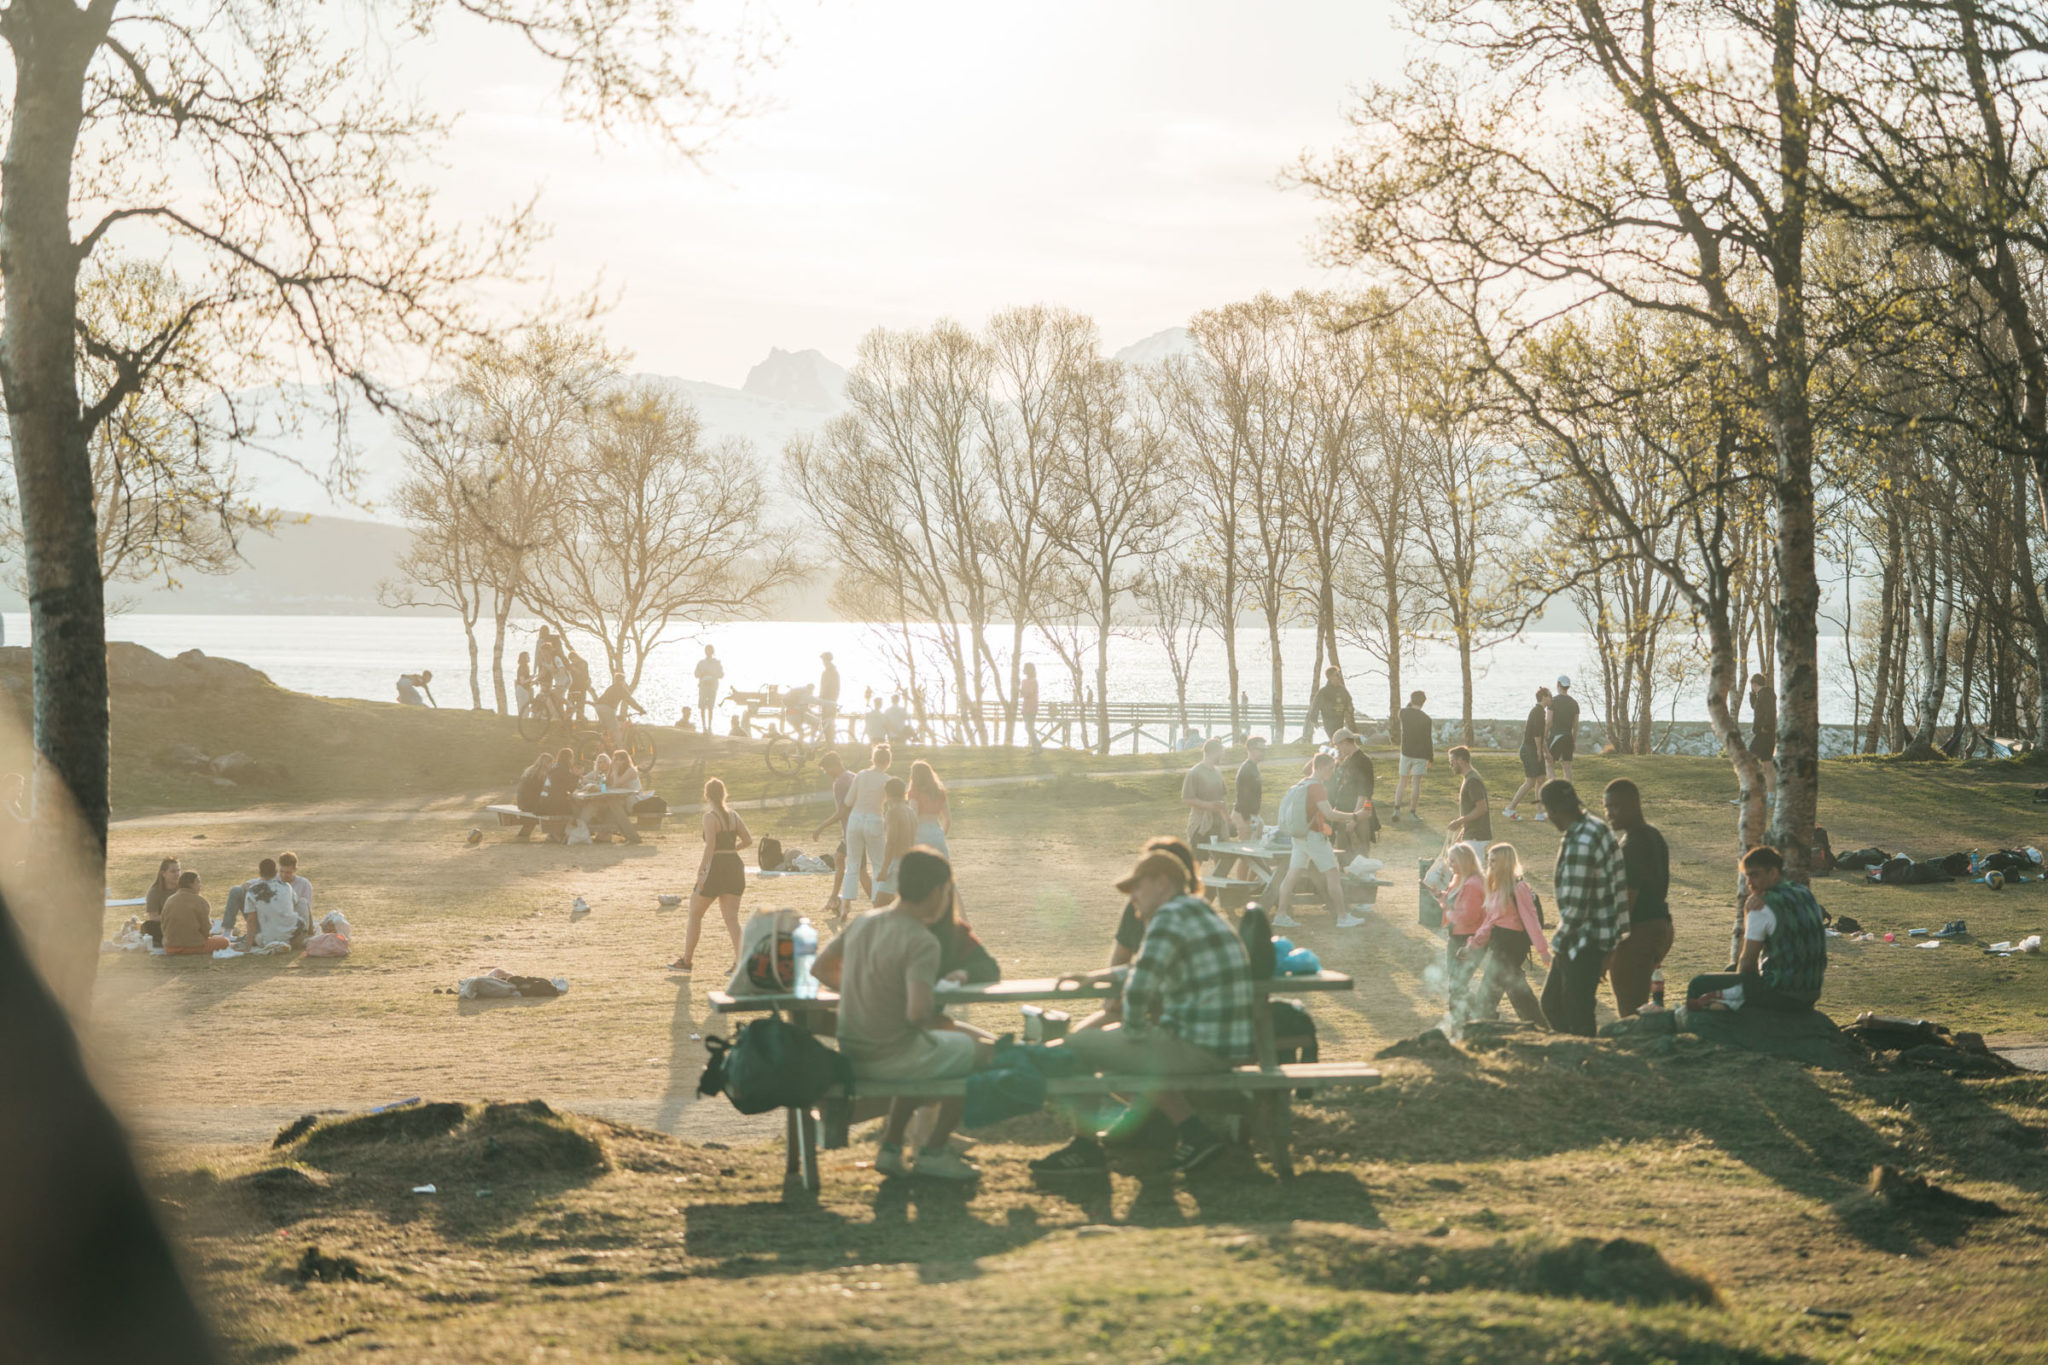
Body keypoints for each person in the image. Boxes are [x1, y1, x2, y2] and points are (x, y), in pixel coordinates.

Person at [1031, 848, 1254, 1177]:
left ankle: (1085, 1149)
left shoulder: (1168, 915)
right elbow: (1150, 966)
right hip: (1223, 1046)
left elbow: (1139, 987)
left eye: (1137, 888)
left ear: (1162, 883)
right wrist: (1102, 976)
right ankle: (1196, 1136)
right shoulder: (1196, 910)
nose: (1133, 898)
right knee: (1135, 1053)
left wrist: (1134, 1033)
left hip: (1196, 1047)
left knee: (1077, 1045)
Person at [812, 849, 991, 1181]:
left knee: (936, 1053)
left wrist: (862, 988)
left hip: (853, 1050)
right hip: (892, 1055)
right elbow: (918, 1014)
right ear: (937, 892)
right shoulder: (921, 941)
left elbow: (820, 967)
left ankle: (891, 1148)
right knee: (980, 1053)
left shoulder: (865, 921)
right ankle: (934, 1151)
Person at [1685, 846, 1826, 1014]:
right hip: (1811, 991)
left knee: (1698, 984)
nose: (1749, 883)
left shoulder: (1761, 905)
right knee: (1731, 970)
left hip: (1781, 993)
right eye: (1747, 876)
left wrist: (1748, 911)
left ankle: (1699, 1033)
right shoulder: (1803, 892)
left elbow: (1747, 964)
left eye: (1754, 875)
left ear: (1773, 873)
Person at [1539, 780, 1627, 1036]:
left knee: (1574, 1010)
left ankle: (1584, 1062)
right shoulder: (1595, 828)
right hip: (1597, 936)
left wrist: (1558, 943)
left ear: (1554, 811)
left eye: (1547, 811)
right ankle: (1576, 1055)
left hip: (1583, 941)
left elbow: (1577, 907)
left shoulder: (1581, 842)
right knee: (1556, 1003)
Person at [1603, 778, 1673, 1017]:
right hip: (1660, 925)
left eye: (1615, 807)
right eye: (1606, 807)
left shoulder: (1633, 846)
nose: (1609, 814)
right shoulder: (1653, 835)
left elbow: (1626, 902)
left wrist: (1610, 948)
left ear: (1633, 805)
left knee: (1631, 1010)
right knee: (1639, 1002)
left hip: (1638, 931)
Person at [1272, 752, 1366, 929]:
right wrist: (1355, 815)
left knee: (1291, 876)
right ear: (1321, 768)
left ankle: (1281, 915)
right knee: (1333, 875)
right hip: (1313, 839)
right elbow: (1329, 813)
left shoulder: (1302, 783)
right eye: (1330, 769)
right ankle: (1342, 917)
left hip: (1299, 837)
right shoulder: (1317, 787)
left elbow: (1312, 813)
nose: (1332, 772)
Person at [669, 778, 752, 973]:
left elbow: (710, 846)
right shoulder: (734, 816)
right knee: (732, 918)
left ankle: (686, 961)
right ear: (724, 794)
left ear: (707, 795)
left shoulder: (710, 817)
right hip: (734, 867)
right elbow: (748, 840)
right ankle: (740, 963)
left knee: (695, 913)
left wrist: (701, 870)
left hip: (716, 866)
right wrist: (732, 850)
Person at [1463, 843, 1551, 1025]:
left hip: (1513, 947)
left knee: (1489, 992)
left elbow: (1531, 921)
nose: (1490, 865)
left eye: (1494, 861)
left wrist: (1543, 951)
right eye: (1489, 860)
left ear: (1505, 862)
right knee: (1516, 989)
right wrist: (1472, 945)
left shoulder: (1518, 888)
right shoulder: (1496, 888)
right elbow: (1489, 922)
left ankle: (1482, 1024)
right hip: (1500, 944)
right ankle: (1538, 1026)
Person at [836, 745, 895, 910]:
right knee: (878, 864)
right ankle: (877, 903)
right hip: (874, 819)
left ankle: (846, 904)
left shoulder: (861, 775)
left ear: (873, 759)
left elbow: (848, 801)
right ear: (888, 762)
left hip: (855, 819)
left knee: (853, 863)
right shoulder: (887, 780)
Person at [812, 751, 869, 916]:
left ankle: (879, 905)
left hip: (853, 831)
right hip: (858, 829)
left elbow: (842, 812)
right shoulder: (854, 776)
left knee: (861, 872)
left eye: (826, 769)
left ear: (834, 766)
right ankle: (834, 899)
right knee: (839, 858)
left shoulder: (840, 783)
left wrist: (820, 827)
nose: (826, 773)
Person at [1436, 842, 1488, 1017]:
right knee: (1457, 983)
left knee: (1457, 984)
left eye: (1454, 861)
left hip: (1467, 939)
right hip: (1457, 937)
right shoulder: (1459, 879)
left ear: (1465, 861)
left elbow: (1469, 917)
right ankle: (1475, 1013)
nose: (1450, 865)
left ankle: (1462, 1019)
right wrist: (1441, 897)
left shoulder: (1472, 884)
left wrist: (1450, 913)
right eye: (1449, 861)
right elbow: (1455, 903)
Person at [1501, 687, 1553, 821]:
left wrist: (1547, 753)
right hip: (1529, 749)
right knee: (1530, 781)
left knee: (1541, 779)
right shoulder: (1537, 712)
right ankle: (1510, 808)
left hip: (1535, 748)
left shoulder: (1541, 712)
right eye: (1550, 696)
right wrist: (1538, 751)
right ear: (1544, 697)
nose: (1551, 699)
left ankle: (1539, 813)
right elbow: (1536, 735)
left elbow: (1542, 736)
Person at [1180, 737, 1230, 870]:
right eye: (1221, 753)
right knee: (1197, 859)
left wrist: (1228, 820)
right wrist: (1208, 805)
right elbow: (1187, 798)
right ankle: (1191, 887)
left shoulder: (1217, 772)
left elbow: (1221, 799)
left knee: (1221, 858)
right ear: (1212, 752)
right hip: (1200, 823)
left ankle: (1219, 888)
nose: (1223, 756)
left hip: (1217, 823)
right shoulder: (1195, 772)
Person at [1329, 728, 1376, 856]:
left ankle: (1361, 874)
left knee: (1360, 850)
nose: (1337, 749)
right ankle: (1344, 872)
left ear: (1345, 742)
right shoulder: (1347, 760)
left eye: (1337, 745)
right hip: (1344, 812)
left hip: (1358, 812)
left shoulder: (1362, 761)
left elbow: (1363, 793)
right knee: (1343, 851)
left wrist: (1354, 819)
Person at [873, 777, 920, 907]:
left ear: (887, 794)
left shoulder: (893, 812)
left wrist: (884, 869)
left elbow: (891, 842)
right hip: (911, 862)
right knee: (900, 905)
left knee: (879, 904)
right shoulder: (911, 812)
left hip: (897, 863)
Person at [240, 858, 305, 949]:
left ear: (260, 873)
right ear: (276, 872)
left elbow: (251, 920)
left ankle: (277, 943)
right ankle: (307, 935)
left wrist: (247, 946)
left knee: (259, 938)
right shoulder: (286, 886)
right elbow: (294, 903)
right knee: (302, 905)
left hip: (268, 939)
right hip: (292, 936)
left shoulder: (252, 891)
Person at [160, 871, 230, 956]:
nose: (200, 886)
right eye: (198, 882)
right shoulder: (200, 901)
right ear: (192, 884)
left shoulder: (169, 900)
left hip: (169, 947)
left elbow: (163, 924)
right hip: (193, 946)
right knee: (224, 941)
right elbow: (206, 930)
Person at [1394, 690, 1432, 821]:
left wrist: (1410, 703)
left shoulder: (1404, 713)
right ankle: (1412, 812)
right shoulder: (1427, 719)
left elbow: (1405, 708)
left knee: (1402, 781)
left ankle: (1396, 809)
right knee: (1416, 783)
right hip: (1420, 754)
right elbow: (1428, 740)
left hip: (1406, 752)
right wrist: (1430, 758)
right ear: (1423, 702)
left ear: (1411, 700)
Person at [1445, 746, 1491, 849]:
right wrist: (1460, 838)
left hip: (1477, 838)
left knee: (1475, 866)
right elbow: (1471, 812)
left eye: (1452, 761)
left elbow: (1481, 809)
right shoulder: (1468, 778)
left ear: (1460, 760)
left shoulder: (1472, 781)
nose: (1450, 765)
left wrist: (1458, 822)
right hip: (1471, 836)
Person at [908, 759, 950, 858]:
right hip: (936, 830)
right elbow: (948, 819)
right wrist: (942, 835)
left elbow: (913, 818)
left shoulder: (914, 792)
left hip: (920, 832)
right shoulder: (940, 792)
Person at [1747, 673, 1778, 796]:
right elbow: (1758, 709)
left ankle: (1750, 794)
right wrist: (1752, 696)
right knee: (1767, 765)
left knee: (1749, 761)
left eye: (1752, 686)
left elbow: (1770, 712)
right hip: (1768, 734)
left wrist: (1765, 727)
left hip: (1764, 733)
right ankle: (1770, 796)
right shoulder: (1766, 694)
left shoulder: (1764, 695)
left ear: (1754, 684)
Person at [141, 857, 180, 947]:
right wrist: (173, 917)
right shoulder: (155, 892)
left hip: (185, 923)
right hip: (166, 925)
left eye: (178, 870)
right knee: (148, 926)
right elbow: (153, 917)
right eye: (173, 871)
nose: (177, 874)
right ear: (163, 873)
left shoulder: (183, 888)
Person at [1548, 676, 1581, 781]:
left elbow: (1548, 721)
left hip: (1556, 736)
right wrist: (1574, 741)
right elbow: (1576, 725)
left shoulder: (1553, 701)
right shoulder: (1574, 703)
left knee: (1549, 764)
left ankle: (1553, 789)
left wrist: (1544, 735)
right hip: (1568, 737)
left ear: (1558, 684)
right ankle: (1567, 794)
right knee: (1567, 767)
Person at [513, 753, 553, 839]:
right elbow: (545, 792)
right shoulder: (542, 774)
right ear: (548, 763)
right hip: (530, 804)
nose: (551, 765)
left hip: (522, 803)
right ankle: (554, 835)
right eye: (551, 763)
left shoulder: (530, 770)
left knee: (532, 819)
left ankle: (523, 835)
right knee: (555, 809)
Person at [1309, 667, 1356, 740]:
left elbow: (1348, 701)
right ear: (1330, 677)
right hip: (1328, 720)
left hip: (1339, 718)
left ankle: (1335, 749)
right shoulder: (1324, 692)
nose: (1338, 677)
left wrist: (1350, 708)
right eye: (1336, 675)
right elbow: (1316, 705)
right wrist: (1314, 719)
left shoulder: (1342, 690)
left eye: (1339, 675)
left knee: (1338, 739)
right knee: (1334, 738)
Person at [277, 851, 313, 919]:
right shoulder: (273, 880)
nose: (283, 875)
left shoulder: (304, 884)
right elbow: (254, 882)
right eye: (281, 871)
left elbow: (307, 910)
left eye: (288, 872)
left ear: (295, 870)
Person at [565, 652, 593, 722]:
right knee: (570, 703)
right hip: (572, 686)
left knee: (580, 703)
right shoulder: (571, 665)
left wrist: (574, 669)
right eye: (571, 660)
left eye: (573, 659)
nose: (572, 661)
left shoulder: (583, 663)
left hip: (581, 686)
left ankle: (580, 719)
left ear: (577, 657)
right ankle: (568, 719)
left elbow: (583, 674)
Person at [819, 652, 841, 741]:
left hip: (828, 702)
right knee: (826, 725)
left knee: (828, 726)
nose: (823, 662)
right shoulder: (830, 671)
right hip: (827, 702)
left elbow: (829, 688)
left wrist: (825, 701)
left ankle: (830, 748)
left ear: (827, 660)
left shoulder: (831, 672)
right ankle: (829, 746)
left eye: (823, 660)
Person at [1020, 662, 1041, 752]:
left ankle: (1037, 747)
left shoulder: (1034, 681)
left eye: (1025, 668)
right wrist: (1021, 691)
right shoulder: (1024, 681)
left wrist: (1021, 691)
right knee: (1027, 727)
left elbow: (1029, 693)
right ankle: (1036, 746)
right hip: (1026, 705)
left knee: (1029, 727)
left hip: (1032, 706)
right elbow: (1022, 695)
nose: (1023, 670)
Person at [514, 652, 536, 720]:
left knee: (524, 709)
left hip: (522, 689)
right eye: (527, 656)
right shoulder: (522, 667)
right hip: (522, 690)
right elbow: (522, 681)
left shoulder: (525, 667)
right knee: (524, 710)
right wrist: (531, 678)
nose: (529, 658)